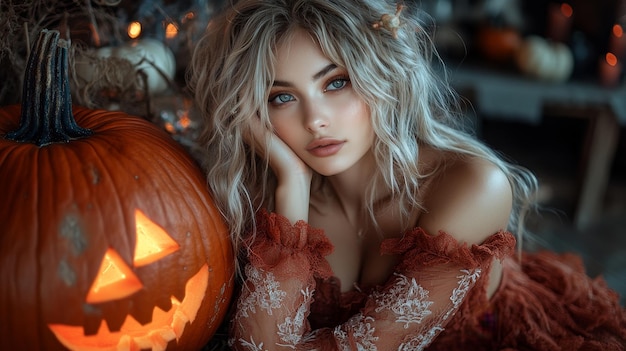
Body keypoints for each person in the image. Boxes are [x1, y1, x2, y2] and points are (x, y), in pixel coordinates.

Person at [188, 0, 626, 349]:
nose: (315, 120)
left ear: (382, 76)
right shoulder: (274, 193)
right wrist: (293, 188)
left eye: (336, 82)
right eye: (281, 98)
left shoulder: (472, 187)